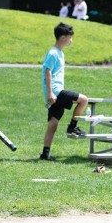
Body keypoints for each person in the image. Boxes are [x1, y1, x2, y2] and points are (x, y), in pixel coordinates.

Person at [40, 23, 89, 161]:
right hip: (56, 92)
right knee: (84, 100)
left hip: (55, 92)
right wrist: (50, 93)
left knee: (53, 124)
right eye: (69, 37)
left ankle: (45, 154)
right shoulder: (53, 53)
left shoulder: (59, 53)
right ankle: (72, 127)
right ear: (62, 37)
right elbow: (47, 73)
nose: (71, 40)